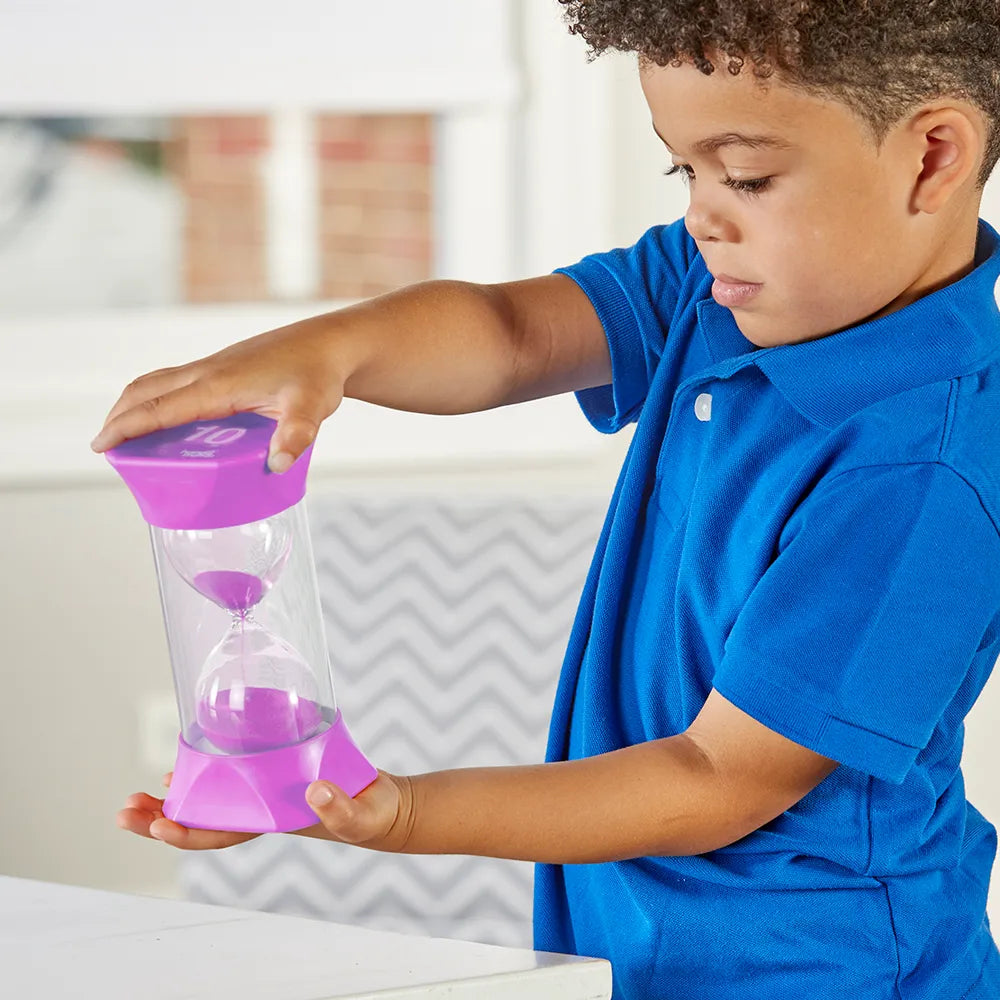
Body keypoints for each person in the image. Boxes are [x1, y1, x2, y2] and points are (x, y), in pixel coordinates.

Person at [93, 3, 1000, 997]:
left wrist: (402, 812)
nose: (703, 212)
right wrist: (327, 351)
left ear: (931, 158)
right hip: (634, 946)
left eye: (745, 176)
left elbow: (716, 777)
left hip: (822, 972)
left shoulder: (920, 478)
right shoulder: (723, 283)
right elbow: (512, 332)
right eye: (683, 171)